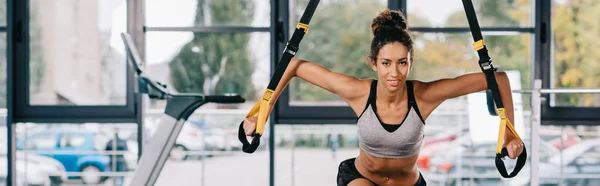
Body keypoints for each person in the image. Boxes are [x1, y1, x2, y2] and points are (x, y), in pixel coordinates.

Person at [243, 9, 524, 186]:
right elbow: (293, 65)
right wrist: (260, 112)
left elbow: (497, 79)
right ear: (374, 63)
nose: (394, 72)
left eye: (402, 63)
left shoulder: (424, 95)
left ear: (410, 64)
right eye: (386, 63)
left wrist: (510, 134)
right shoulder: (359, 92)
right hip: (360, 179)